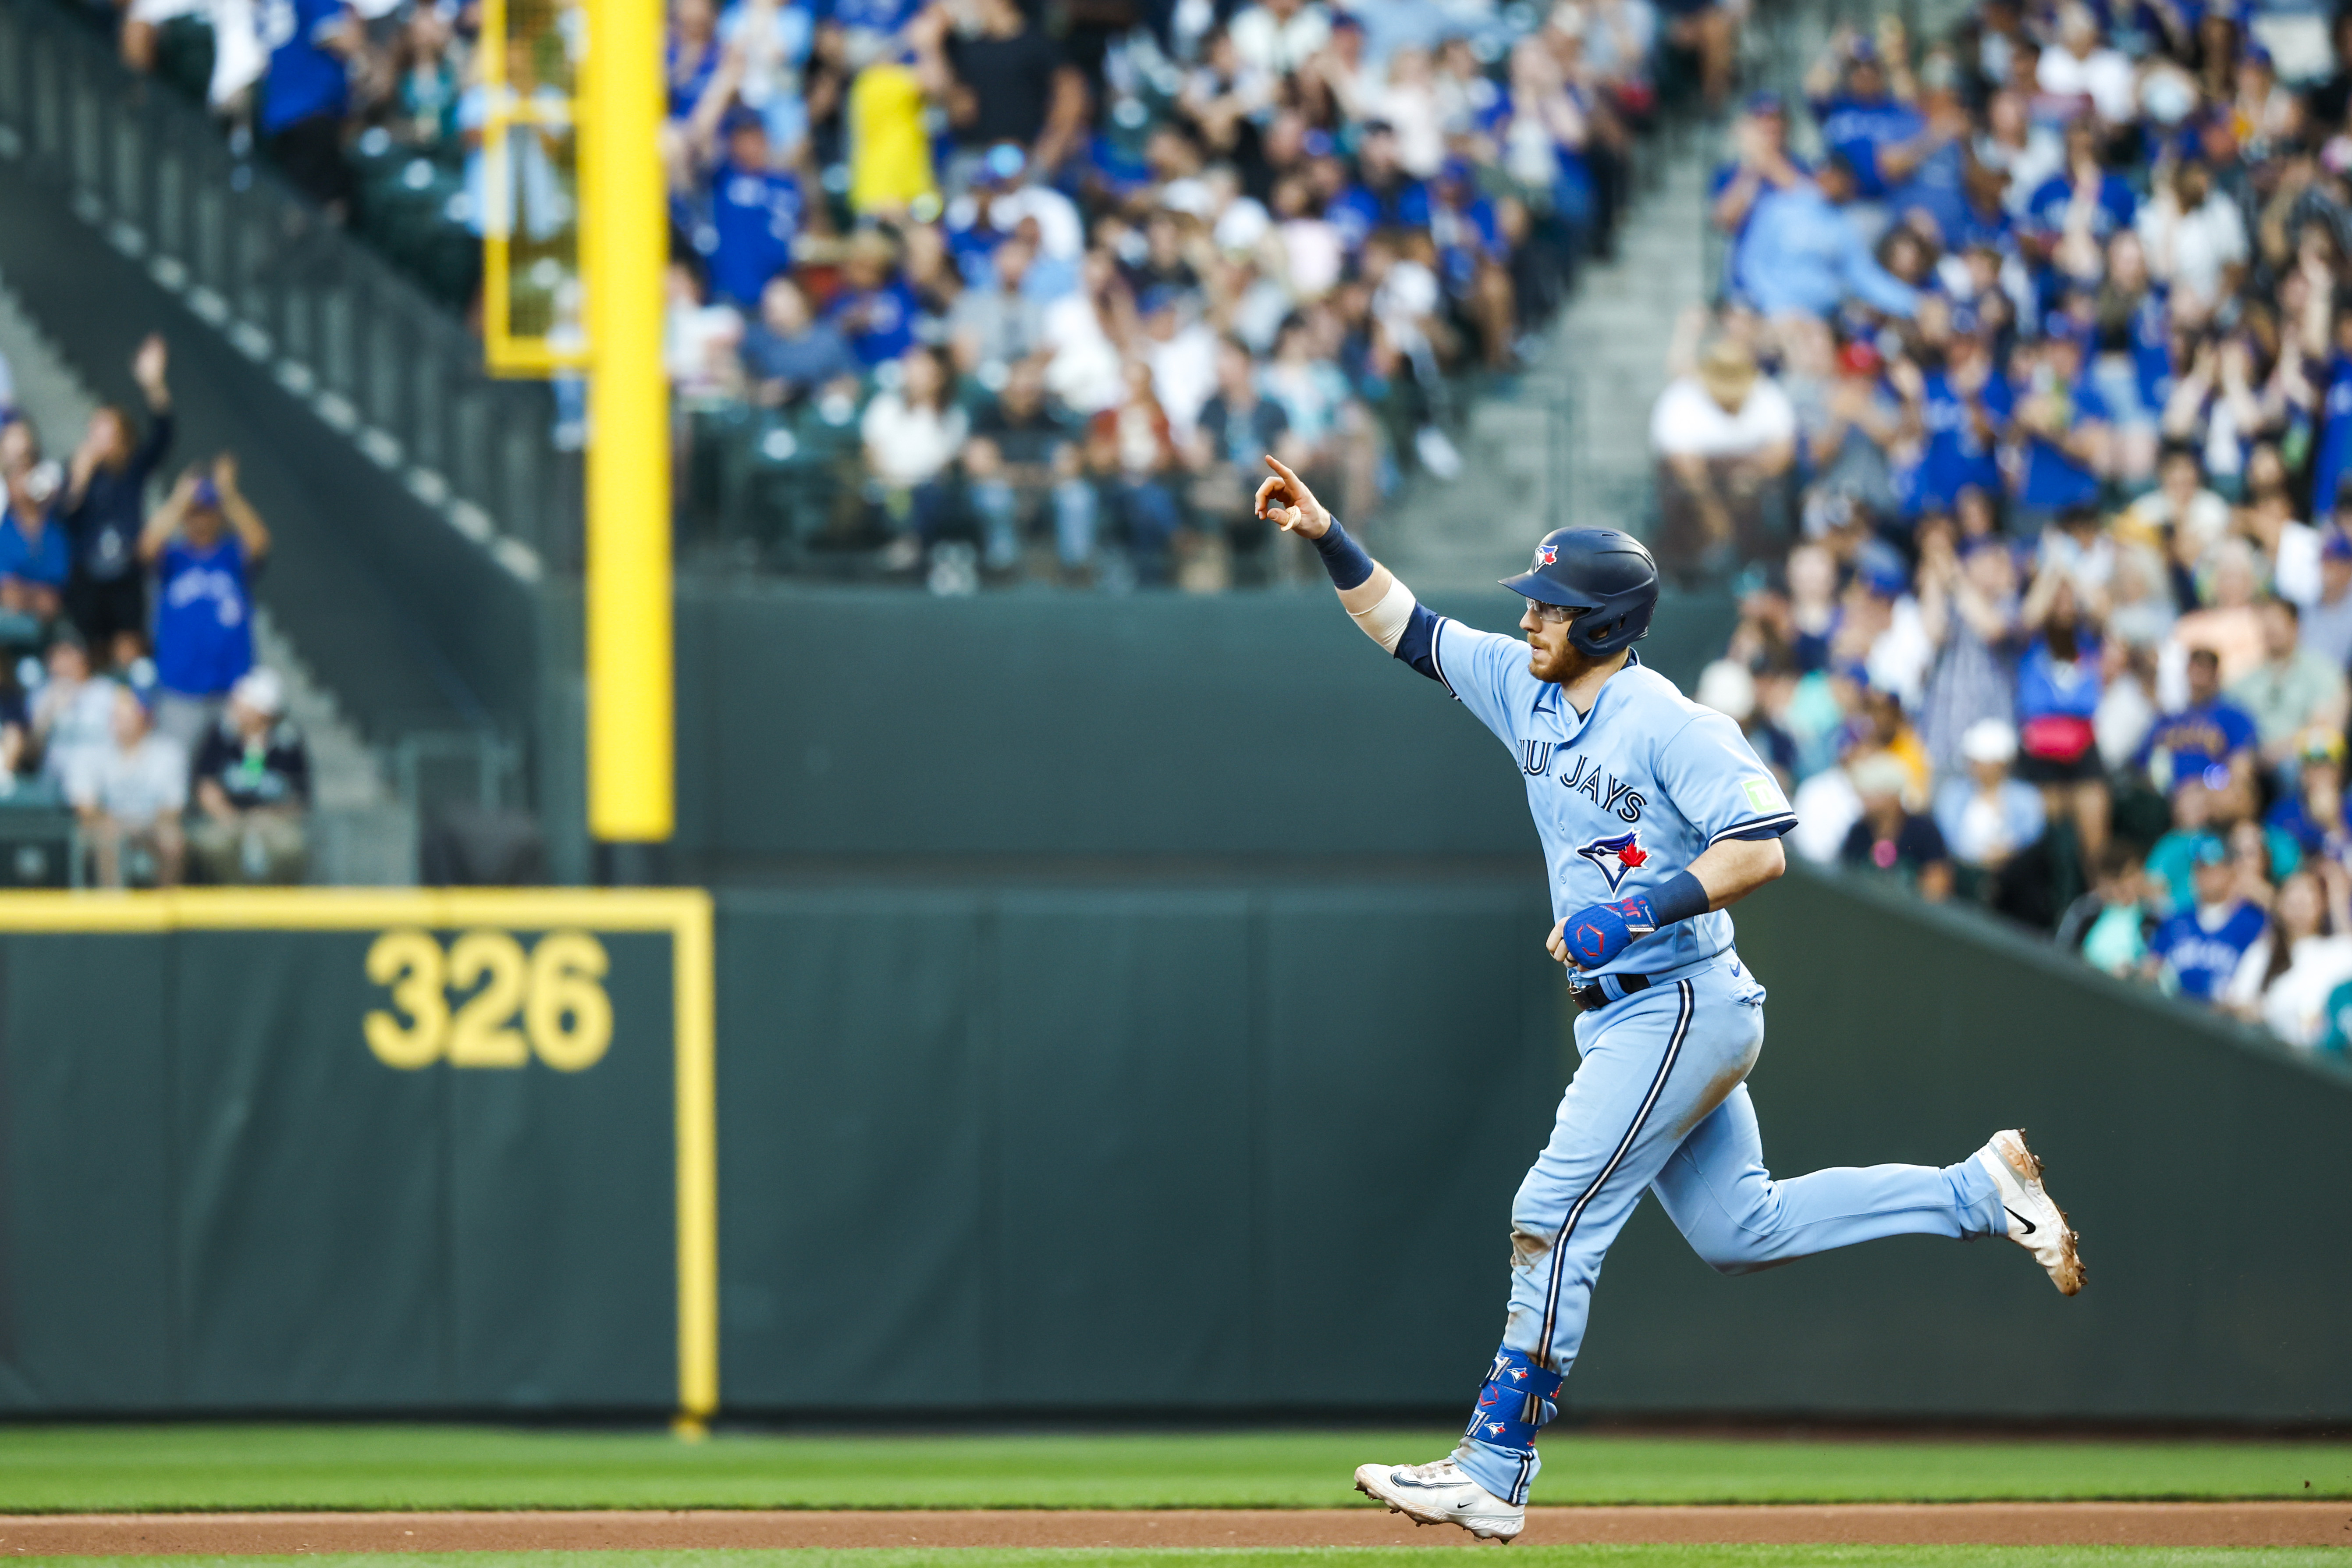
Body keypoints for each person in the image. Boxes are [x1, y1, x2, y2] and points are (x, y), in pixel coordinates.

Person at [1251, 455, 2083, 1543]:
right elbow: (1406, 630)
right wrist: (1326, 535)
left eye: (1553, 606)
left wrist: (1636, 908)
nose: (1534, 617)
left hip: (1678, 997)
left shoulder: (1668, 720)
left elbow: (1762, 845)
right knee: (1742, 1228)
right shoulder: (1522, 685)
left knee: (1549, 1213)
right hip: (1636, 1010)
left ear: (1602, 625)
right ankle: (1975, 1193)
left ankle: (1494, 1465)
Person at [139, 454, 270, 750]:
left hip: (233, 688)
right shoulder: (174, 558)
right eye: (194, 512)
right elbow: (146, 547)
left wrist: (230, 495)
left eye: (207, 512)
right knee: (177, 773)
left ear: (219, 515)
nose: (200, 519)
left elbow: (260, 541)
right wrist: (178, 500)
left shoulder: (231, 556)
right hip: (180, 689)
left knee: (239, 772)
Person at [62, 334, 172, 665]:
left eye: (105, 430)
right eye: (94, 430)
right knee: (92, 650)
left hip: (126, 570)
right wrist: (78, 478)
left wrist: (153, 385)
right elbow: (64, 518)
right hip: (89, 574)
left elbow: (164, 433)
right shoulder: (78, 472)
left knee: (129, 647)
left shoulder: (133, 468)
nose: (97, 438)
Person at [188, 668, 311, 885]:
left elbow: (300, 797)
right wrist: (231, 818)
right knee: (213, 843)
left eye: (246, 704)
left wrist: (269, 816)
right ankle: (233, 901)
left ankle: (273, 906)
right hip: (227, 818)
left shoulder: (288, 742)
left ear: (264, 711)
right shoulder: (220, 736)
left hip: (273, 820)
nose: (237, 708)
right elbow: (205, 788)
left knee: (289, 847)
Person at [71, 685, 186, 889]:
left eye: (127, 716)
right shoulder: (93, 751)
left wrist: (141, 825)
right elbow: (85, 807)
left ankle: (164, 911)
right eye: (116, 716)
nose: (119, 722)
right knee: (109, 836)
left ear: (145, 718)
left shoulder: (168, 752)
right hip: (107, 826)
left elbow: (173, 808)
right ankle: (113, 912)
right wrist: (114, 823)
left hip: (151, 825)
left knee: (172, 838)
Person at [2145, 835, 2266, 1004]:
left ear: (2232, 871)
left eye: (2215, 868)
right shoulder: (2177, 920)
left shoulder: (2253, 923)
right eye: (2201, 868)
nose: (2206, 875)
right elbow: (2151, 967)